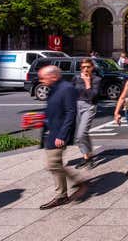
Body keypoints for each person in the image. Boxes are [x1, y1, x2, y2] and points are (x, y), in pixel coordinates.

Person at [38, 65, 87, 209]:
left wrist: (62, 135)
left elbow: (70, 113)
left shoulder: (67, 88)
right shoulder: (54, 88)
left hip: (59, 134)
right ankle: (75, 184)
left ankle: (62, 195)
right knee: (54, 164)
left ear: (53, 76)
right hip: (51, 132)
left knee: (52, 164)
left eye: (43, 77)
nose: (41, 81)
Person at [72, 58, 101, 169]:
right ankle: (87, 157)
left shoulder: (96, 80)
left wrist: (88, 82)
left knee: (81, 134)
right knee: (82, 134)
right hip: (76, 106)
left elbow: (92, 96)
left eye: (88, 67)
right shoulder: (76, 78)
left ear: (92, 68)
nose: (85, 69)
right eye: (83, 67)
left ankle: (89, 157)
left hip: (89, 106)